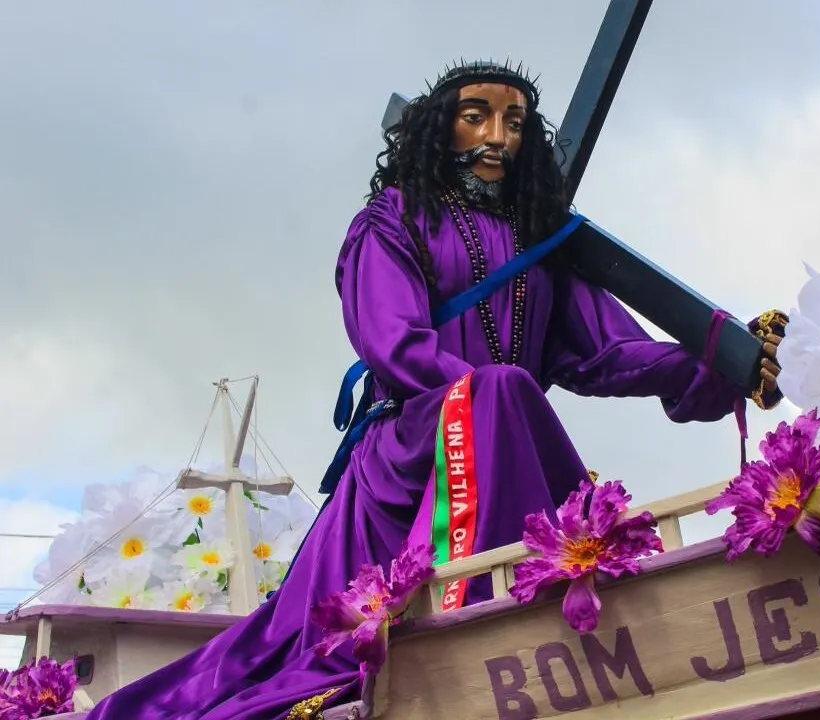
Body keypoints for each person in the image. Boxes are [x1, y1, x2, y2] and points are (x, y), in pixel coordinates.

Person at [86, 60, 784, 719]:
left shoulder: (541, 243)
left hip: (513, 443)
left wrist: (719, 365)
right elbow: (394, 343)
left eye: (513, 123)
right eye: (476, 117)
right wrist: (490, 394)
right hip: (414, 457)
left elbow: (608, 354)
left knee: (511, 397)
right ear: (437, 128)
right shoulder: (391, 219)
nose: (496, 138)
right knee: (503, 394)